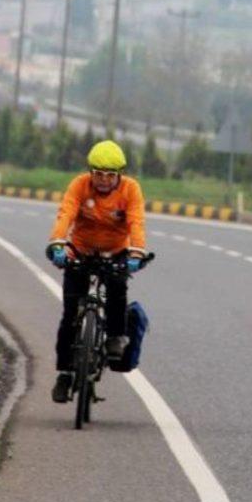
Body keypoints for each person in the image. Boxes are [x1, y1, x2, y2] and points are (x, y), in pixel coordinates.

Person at [47, 139, 146, 403]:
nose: (103, 180)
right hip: (80, 250)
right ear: (91, 172)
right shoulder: (80, 185)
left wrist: (137, 252)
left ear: (119, 175)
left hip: (116, 251)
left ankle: (114, 337)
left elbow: (136, 222)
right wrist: (58, 244)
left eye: (109, 175)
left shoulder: (130, 190)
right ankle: (65, 373)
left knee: (117, 291)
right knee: (69, 314)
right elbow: (65, 213)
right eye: (98, 174)